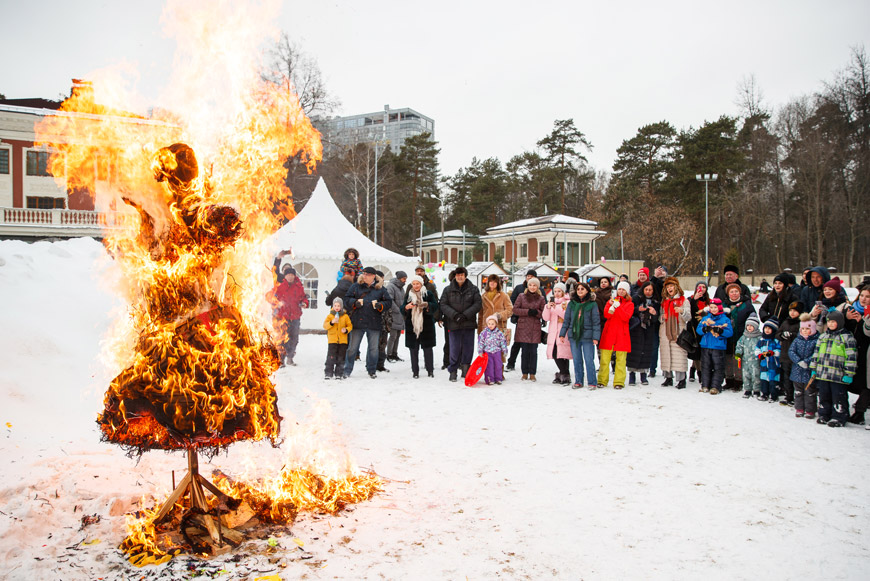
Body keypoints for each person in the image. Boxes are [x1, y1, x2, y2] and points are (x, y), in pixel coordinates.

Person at [810, 310, 858, 427]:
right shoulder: (823, 337)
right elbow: (816, 354)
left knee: (838, 396)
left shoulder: (847, 338)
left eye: (833, 322)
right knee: (824, 395)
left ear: (840, 322)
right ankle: (824, 414)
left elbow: (851, 357)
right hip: (823, 373)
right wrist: (814, 368)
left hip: (838, 375)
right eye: (829, 322)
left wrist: (849, 374)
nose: (830, 324)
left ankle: (839, 416)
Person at [344, 266, 392, 378]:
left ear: (373, 276)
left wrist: (380, 305)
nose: (364, 276)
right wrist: (354, 302)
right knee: (352, 348)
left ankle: (372, 371)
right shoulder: (356, 286)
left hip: (374, 322)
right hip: (357, 322)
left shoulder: (380, 289)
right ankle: (347, 370)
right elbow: (346, 299)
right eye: (364, 274)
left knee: (373, 349)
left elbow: (389, 302)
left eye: (367, 274)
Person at [439, 266, 482, 382]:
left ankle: (466, 368)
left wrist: (465, 315)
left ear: (465, 276)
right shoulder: (448, 290)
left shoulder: (473, 289)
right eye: (458, 275)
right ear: (455, 276)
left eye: (462, 275)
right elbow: (443, 304)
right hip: (453, 323)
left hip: (469, 323)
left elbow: (478, 304)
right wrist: (455, 315)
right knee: (454, 348)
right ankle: (453, 371)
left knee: (468, 348)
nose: (460, 277)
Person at [265, 264, 308, 366]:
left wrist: (305, 303)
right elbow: (268, 296)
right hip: (282, 317)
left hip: (295, 317)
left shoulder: (298, 287)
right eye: (288, 275)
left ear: (294, 276)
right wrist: (276, 302)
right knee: (282, 338)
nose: (290, 277)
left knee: (294, 339)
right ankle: (281, 359)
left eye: (291, 275)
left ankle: (290, 358)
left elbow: (303, 298)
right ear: (285, 276)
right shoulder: (279, 286)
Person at [560, 282, 601, 389]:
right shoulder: (572, 304)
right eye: (578, 289)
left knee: (588, 360)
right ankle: (578, 381)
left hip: (588, 336)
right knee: (577, 360)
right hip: (574, 335)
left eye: (582, 289)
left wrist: (596, 337)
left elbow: (596, 322)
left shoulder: (592, 304)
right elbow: (567, 320)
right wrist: (562, 334)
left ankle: (592, 382)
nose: (580, 291)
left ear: (587, 290)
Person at [598, 281, 634, 389]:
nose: (621, 291)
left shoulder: (630, 304)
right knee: (604, 359)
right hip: (609, 333)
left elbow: (626, 317)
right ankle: (602, 380)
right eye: (620, 289)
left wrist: (618, 308)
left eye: (623, 289)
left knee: (621, 360)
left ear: (627, 291)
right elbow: (606, 315)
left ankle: (619, 381)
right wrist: (612, 305)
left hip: (622, 334)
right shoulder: (610, 302)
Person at [658, 277, 691, 389]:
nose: (669, 289)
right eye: (667, 287)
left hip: (678, 331)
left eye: (671, 286)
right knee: (666, 354)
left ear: (676, 287)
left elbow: (688, 316)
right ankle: (668, 377)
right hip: (665, 331)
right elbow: (659, 317)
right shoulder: (664, 302)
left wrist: (681, 311)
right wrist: (662, 317)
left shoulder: (683, 300)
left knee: (679, 355)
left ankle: (681, 379)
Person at [403, 275, 437, 378]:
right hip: (412, 325)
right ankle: (415, 372)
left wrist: (427, 305)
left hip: (426, 325)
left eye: (417, 283)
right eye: (413, 284)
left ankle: (430, 370)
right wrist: (406, 307)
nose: (415, 285)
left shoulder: (428, 293)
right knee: (413, 350)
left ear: (421, 284)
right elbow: (402, 307)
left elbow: (435, 306)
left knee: (428, 349)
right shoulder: (409, 295)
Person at [513, 277, 547, 381]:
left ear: (538, 287)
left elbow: (544, 313)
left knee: (533, 351)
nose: (532, 287)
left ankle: (532, 372)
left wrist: (537, 313)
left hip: (534, 327)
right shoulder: (521, 296)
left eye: (535, 285)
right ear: (528, 286)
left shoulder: (541, 299)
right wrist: (527, 311)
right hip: (523, 327)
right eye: (531, 285)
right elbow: (515, 309)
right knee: (524, 351)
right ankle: (524, 372)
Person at [697, 298, 733, 394]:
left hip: (718, 346)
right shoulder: (705, 319)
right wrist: (705, 329)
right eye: (711, 307)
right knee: (705, 366)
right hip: (706, 345)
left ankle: (716, 386)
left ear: (720, 308)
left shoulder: (725, 319)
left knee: (718, 367)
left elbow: (730, 332)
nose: (713, 309)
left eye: (715, 307)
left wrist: (721, 331)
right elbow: (698, 330)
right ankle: (705, 385)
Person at [723, 283, 754, 392]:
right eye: (731, 291)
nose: (734, 294)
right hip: (727, 337)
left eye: (736, 291)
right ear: (728, 293)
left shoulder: (746, 304)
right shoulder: (724, 305)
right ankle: (729, 379)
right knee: (728, 359)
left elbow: (753, 318)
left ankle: (738, 380)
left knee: (738, 358)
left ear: (739, 292)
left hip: (741, 335)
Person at [846, 287, 870, 425]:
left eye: (867, 296)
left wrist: (862, 322)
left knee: (866, 384)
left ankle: (859, 411)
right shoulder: (852, 309)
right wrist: (848, 319)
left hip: (867, 353)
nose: (863, 299)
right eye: (862, 295)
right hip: (853, 351)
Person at [505, 269, 538, 371]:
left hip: (534, 322)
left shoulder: (539, 290)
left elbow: (543, 305)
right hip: (521, 320)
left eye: (532, 276)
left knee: (532, 345)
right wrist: (514, 315)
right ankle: (511, 363)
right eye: (528, 276)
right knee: (517, 343)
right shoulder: (519, 288)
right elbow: (513, 302)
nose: (529, 278)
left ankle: (529, 366)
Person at [627, 281, 658, 386]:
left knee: (646, 351)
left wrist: (654, 314)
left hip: (648, 329)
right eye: (646, 289)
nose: (648, 292)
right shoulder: (636, 298)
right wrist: (637, 309)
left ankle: (643, 375)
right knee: (634, 351)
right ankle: (632, 375)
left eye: (650, 290)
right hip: (636, 328)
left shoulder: (656, 301)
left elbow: (656, 319)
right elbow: (629, 311)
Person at [789, 314, 819, 419]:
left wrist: (807, 361)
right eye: (803, 329)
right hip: (797, 371)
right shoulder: (797, 340)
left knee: (809, 391)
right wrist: (798, 361)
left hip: (809, 371)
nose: (805, 331)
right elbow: (791, 351)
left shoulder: (816, 341)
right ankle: (799, 408)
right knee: (798, 391)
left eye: (808, 329)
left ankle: (810, 410)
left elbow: (816, 353)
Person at [477, 274, 513, 361]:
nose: (492, 284)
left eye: (495, 282)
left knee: (499, 354)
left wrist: (500, 315)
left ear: (498, 283)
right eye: (491, 281)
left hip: (499, 328)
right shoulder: (483, 296)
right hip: (486, 329)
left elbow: (510, 310)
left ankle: (500, 373)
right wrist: (479, 330)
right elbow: (480, 314)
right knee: (487, 354)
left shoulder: (503, 296)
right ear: (488, 283)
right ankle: (488, 373)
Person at [543, 282, 572, 385]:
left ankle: (565, 374)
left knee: (563, 354)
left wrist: (556, 308)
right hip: (553, 331)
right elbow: (546, 318)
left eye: (559, 291)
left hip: (563, 331)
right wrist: (547, 307)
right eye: (555, 291)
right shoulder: (551, 302)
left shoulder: (568, 302)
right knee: (555, 352)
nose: (557, 293)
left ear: (563, 292)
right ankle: (563, 374)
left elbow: (566, 315)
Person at [776, 301, 804, 406]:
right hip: (785, 354)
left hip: (796, 355)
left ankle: (798, 397)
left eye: (795, 311)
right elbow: (777, 333)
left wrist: (792, 335)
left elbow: (803, 334)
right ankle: (788, 396)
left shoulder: (801, 323)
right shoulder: (785, 322)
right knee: (786, 377)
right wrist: (782, 335)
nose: (792, 313)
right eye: (791, 310)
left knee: (796, 377)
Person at [323, 298, 352, 380]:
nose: (337, 307)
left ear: (341, 306)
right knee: (331, 357)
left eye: (338, 306)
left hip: (342, 341)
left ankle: (339, 373)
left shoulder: (345, 316)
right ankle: (328, 373)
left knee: (341, 357)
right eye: (335, 305)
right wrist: (331, 322)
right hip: (332, 340)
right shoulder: (330, 316)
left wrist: (346, 330)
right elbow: (325, 325)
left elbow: (350, 326)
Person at [687, 282, 711, 383]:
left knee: (702, 351)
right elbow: (688, 311)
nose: (702, 289)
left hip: (705, 327)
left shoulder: (709, 301)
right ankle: (699, 372)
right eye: (699, 287)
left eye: (704, 287)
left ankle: (693, 369)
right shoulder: (690, 298)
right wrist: (694, 299)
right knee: (696, 350)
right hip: (693, 327)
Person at [735, 313, 763, 399]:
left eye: (752, 325)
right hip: (745, 360)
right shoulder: (743, 337)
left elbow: (762, 347)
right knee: (746, 375)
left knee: (756, 375)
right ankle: (747, 389)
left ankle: (756, 390)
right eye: (748, 325)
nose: (749, 327)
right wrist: (738, 354)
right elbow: (739, 346)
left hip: (755, 361)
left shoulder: (759, 337)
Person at [755, 319, 782, 402]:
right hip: (764, 364)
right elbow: (757, 350)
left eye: (769, 328)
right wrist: (759, 355)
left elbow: (778, 351)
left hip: (773, 364)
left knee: (773, 380)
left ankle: (774, 395)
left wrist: (773, 353)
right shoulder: (761, 340)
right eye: (765, 328)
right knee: (764, 380)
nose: (767, 330)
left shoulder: (776, 341)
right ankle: (764, 394)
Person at [477, 314, 509, 385]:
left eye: (492, 324)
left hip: (497, 352)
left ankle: (498, 378)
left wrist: (505, 350)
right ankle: (490, 379)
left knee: (498, 365)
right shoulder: (484, 333)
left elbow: (503, 342)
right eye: (489, 324)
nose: (490, 325)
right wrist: (480, 351)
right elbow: (480, 342)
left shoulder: (499, 333)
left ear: (496, 324)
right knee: (489, 366)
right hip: (487, 352)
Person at [386, 271, 409, 362]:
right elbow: (390, 300)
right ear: (399, 278)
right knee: (393, 336)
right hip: (393, 315)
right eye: (404, 279)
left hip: (400, 316)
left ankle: (394, 353)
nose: (405, 281)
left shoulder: (401, 288)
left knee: (398, 335)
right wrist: (398, 310)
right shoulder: (391, 287)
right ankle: (389, 354)